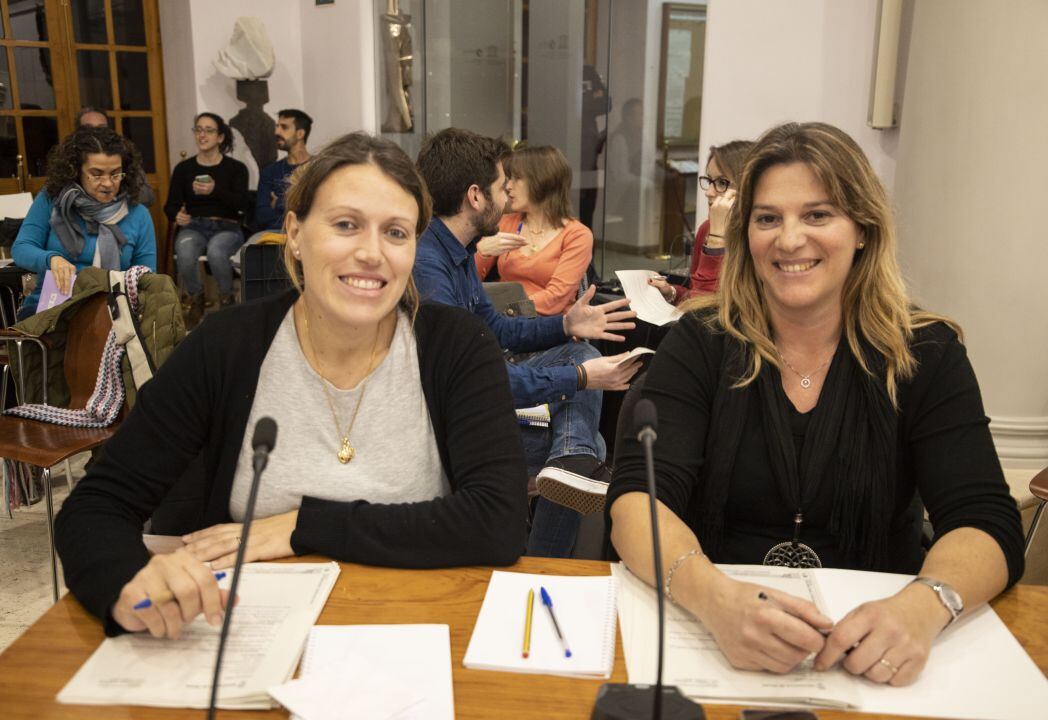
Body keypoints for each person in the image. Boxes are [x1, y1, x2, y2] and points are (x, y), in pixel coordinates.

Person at [54, 132, 529, 639]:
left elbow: (498, 521)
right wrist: (129, 582)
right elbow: (95, 507)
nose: (372, 253)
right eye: (346, 225)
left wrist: (304, 526)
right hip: (246, 634)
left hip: (415, 632)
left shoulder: (456, 346)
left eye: (396, 232)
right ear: (295, 233)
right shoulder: (227, 346)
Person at [609, 122, 1024, 687]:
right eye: (768, 218)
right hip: (713, 636)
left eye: (818, 215)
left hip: (875, 654)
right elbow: (637, 500)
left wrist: (924, 608)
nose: (789, 239)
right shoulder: (699, 342)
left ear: (862, 229)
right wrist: (713, 600)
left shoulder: (927, 353)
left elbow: (985, 522)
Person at [413, 128, 641, 558]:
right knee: (584, 436)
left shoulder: (454, 254)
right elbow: (479, 382)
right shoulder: (430, 267)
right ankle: (542, 559)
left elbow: (499, 329)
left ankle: (569, 461)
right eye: (503, 187)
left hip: (477, 391)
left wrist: (566, 326)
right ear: (476, 197)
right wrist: (578, 379)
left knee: (582, 359)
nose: (508, 196)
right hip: (453, 427)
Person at [12, 127, 156, 318]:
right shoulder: (51, 200)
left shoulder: (138, 214)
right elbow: (21, 248)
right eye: (96, 174)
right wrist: (52, 259)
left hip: (114, 310)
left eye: (115, 174)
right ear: (75, 171)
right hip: (53, 307)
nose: (108, 183)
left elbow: (147, 277)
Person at [474, 145, 593, 316]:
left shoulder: (577, 235)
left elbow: (555, 300)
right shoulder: (505, 223)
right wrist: (481, 252)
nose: (508, 186)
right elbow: (467, 283)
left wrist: (504, 311)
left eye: (517, 178)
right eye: (509, 178)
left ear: (542, 181)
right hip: (506, 324)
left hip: (551, 328)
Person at [163, 112, 249, 326]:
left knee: (216, 251)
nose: (202, 135)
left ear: (220, 137)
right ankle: (196, 299)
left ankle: (227, 301)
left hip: (227, 226)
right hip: (195, 225)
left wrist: (214, 190)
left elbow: (243, 204)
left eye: (208, 130)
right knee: (184, 248)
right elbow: (170, 205)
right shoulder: (184, 169)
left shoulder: (236, 169)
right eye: (198, 130)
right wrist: (177, 215)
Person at [648, 139, 752, 303]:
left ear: (747, 186)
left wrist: (717, 239)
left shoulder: (758, 237)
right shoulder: (706, 229)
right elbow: (697, 294)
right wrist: (672, 292)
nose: (709, 192)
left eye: (722, 183)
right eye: (710, 181)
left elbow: (707, 311)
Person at [77, 106, 156, 207]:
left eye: (101, 128)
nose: (96, 133)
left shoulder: (124, 157)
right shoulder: (67, 161)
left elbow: (147, 197)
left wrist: (117, 195)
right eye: (88, 128)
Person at [253, 109, 313, 236]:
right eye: (277, 126)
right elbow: (262, 216)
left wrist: (279, 203)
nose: (276, 132)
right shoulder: (269, 172)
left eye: (284, 127)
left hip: (309, 233)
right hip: (275, 233)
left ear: (300, 134)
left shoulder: (319, 168)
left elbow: (318, 210)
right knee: (249, 249)